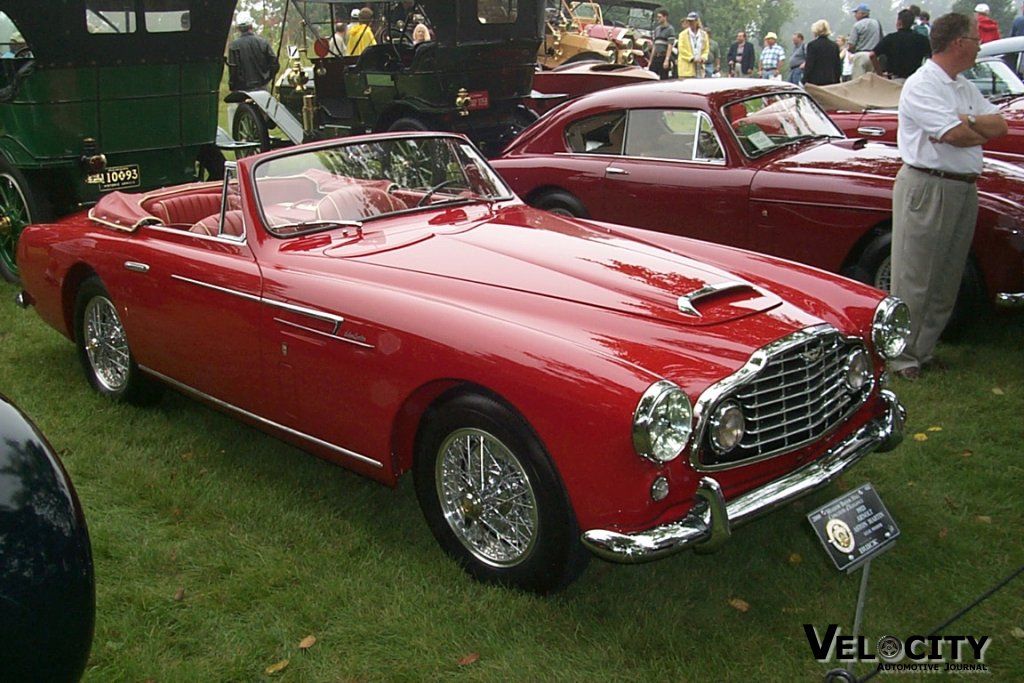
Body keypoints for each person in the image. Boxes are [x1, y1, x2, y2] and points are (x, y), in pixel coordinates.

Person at [891, 12, 1007, 379]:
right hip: (929, 185)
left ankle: (924, 350)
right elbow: (954, 134)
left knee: (946, 276)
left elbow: (999, 126)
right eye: (975, 39)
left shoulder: (962, 86)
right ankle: (901, 357)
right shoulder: (922, 84)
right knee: (915, 277)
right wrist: (971, 126)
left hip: (961, 187)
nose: (979, 46)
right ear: (958, 43)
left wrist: (967, 122)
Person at [871, 9, 931, 82]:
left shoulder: (890, 38)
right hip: (914, 80)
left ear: (899, 22)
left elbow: (872, 55)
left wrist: (880, 74)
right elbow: (930, 57)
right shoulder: (922, 39)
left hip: (894, 80)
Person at [227, 11, 278, 91]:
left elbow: (233, 71)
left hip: (242, 92)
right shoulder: (263, 43)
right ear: (251, 26)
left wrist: (232, 87)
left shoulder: (234, 46)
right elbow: (275, 64)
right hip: (262, 90)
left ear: (238, 28)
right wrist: (266, 78)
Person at [803, 20, 841, 86]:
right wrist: (837, 80)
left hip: (815, 80)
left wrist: (804, 79)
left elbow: (810, 64)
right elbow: (837, 65)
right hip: (831, 80)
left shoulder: (812, 45)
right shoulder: (834, 46)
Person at [849, 4, 883, 78]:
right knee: (871, 81)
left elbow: (851, 45)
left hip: (860, 55)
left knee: (858, 81)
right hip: (874, 55)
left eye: (856, 13)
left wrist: (851, 51)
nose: (855, 15)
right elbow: (881, 39)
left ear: (862, 13)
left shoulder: (857, 25)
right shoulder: (877, 23)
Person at [676, 12, 708, 78]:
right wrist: (692, 58)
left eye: (692, 21)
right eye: (689, 21)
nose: (690, 23)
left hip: (699, 68)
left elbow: (706, 49)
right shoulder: (682, 34)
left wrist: (703, 58)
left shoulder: (704, 34)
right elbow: (682, 49)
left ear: (697, 21)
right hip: (686, 70)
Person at [649, 8, 676, 79]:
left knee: (663, 77)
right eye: (657, 17)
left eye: (660, 17)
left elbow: (670, 46)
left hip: (663, 56)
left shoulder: (670, 29)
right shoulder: (657, 29)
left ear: (665, 17)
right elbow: (655, 46)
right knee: (651, 75)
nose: (658, 19)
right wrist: (650, 60)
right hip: (656, 57)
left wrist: (666, 60)